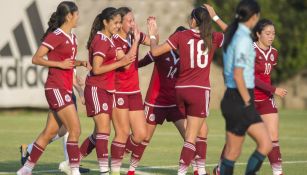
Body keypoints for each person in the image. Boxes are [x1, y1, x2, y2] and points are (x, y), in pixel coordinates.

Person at [147, 5, 224, 175]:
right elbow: (236, 35)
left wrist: (152, 34)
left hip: (181, 90)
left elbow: (155, 51)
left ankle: (201, 170)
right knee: (191, 136)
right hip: (199, 90)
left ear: (194, 20)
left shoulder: (181, 35)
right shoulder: (213, 37)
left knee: (202, 131)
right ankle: (182, 172)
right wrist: (216, 17)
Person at [17, 1, 88, 175]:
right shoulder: (55, 35)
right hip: (55, 88)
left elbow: (69, 64)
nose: (78, 17)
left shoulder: (72, 37)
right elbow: (36, 58)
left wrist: (81, 64)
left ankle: (26, 169)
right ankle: (74, 170)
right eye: (76, 14)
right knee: (75, 129)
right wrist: (60, 64)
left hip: (65, 88)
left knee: (50, 133)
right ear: (69, 16)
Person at [216, 0, 273, 175]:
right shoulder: (241, 38)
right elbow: (238, 74)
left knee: (261, 145)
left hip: (234, 98)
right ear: (254, 16)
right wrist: (247, 101)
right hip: (240, 99)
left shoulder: (234, 34)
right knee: (240, 150)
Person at [80, 7, 135, 175]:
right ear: (105, 22)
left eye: (120, 22)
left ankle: (72, 162)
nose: (118, 26)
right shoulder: (101, 40)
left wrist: (136, 40)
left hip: (107, 89)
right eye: (115, 22)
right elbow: (96, 69)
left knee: (99, 133)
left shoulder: (110, 40)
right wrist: (121, 62)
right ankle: (104, 171)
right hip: (97, 88)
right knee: (104, 131)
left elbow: (126, 63)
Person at [108, 7, 154, 175]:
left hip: (134, 92)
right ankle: (115, 169)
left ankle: (116, 156)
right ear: (120, 24)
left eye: (133, 20)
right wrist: (135, 41)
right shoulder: (114, 40)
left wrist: (152, 31)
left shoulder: (132, 35)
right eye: (129, 21)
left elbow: (152, 43)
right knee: (122, 133)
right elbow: (126, 63)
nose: (133, 24)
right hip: (119, 91)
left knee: (141, 134)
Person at [19, 73, 90, 175]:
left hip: (67, 90)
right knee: (71, 130)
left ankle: (29, 151)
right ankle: (71, 164)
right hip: (61, 90)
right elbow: (63, 63)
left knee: (60, 131)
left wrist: (80, 64)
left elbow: (69, 65)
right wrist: (80, 90)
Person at [253, 18, 287, 175]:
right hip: (248, 100)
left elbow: (266, 77)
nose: (271, 36)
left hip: (266, 100)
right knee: (236, 138)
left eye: (273, 33)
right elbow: (251, 79)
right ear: (258, 34)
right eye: (267, 33)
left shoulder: (274, 52)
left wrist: (271, 91)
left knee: (273, 137)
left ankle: (278, 172)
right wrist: (274, 89)